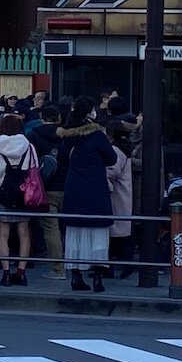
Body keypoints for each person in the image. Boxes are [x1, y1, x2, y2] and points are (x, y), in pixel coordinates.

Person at [57, 97, 117, 292]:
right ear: (90, 112)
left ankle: (76, 276)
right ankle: (98, 278)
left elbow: (62, 159)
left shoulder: (67, 136)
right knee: (98, 233)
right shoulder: (97, 135)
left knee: (75, 233)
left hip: (74, 187)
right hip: (96, 187)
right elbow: (112, 158)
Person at [0, 113, 38, 286]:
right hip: (23, 194)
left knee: (3, 234)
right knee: (24, 233)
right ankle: (21, 272)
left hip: (0, 193)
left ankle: (5, 273)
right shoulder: (28, 146)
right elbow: (34, 168)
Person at [27, 104, 66, 281]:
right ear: (58, 116)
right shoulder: (67, 135)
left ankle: (58, 268)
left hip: (44, 187)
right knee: (69, 226)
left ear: (41, 116)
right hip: (67, 185)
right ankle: (77, 262)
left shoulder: (33, 135)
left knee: (51, 228)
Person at [106, 120, 134, 277]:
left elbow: (111, 171)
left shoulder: (115, 150)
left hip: (116, 194)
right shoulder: (126, 147)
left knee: (115, 233)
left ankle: (111, 267)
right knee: (123, 233)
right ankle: (125, 265)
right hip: (124, 194)